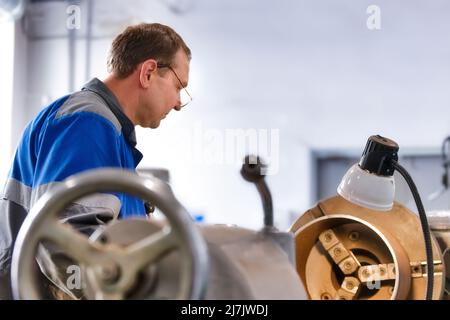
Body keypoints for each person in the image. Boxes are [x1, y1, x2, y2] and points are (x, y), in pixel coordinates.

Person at [0, 22, 192, 299]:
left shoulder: (109, 132)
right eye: (178, 86)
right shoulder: (88, 122)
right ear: (149, 72)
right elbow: (65, 245)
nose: (177, 103)